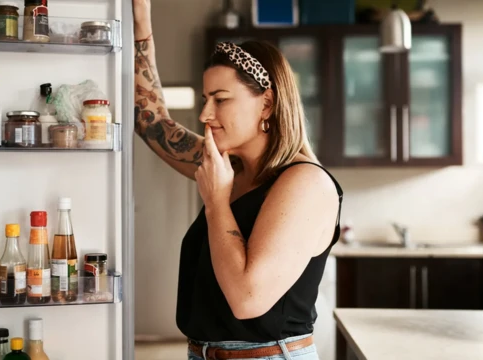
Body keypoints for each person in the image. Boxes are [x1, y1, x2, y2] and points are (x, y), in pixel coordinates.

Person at [133, 1, 343, 359]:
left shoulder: (305, 183)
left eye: (221, 99)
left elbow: (248, 300)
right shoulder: (231, 167)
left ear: (267, 104)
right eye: (205, 98)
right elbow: (152, 123)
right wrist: (140, 18)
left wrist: (216, 202)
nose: (204, 113)